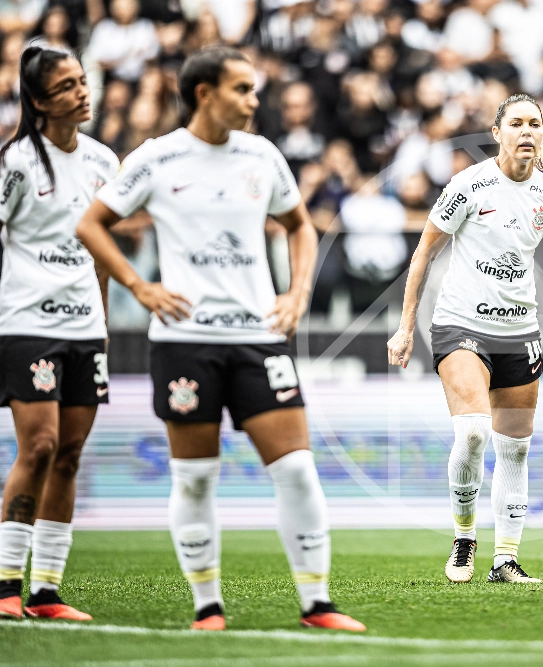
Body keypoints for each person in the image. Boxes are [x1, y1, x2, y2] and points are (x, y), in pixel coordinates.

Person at [75, 46, 365, 633]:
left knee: (298, 471)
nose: (255, 101)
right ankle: (208, 607)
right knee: (196, 477)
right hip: (183, 343)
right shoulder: (158, 159)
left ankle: (318, 604)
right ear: (204, 93)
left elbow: (299, 226)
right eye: (242, 89)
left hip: (259, 340)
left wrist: (298, 292)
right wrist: (140, 285)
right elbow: (92, 224)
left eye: (255, 90)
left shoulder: (262, 155)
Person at [387, 93, 543, 584]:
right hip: (461, 324)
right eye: (517, 123)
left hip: (519, 332)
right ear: (498, 132)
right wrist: (405, 327)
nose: (527, 132)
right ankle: (464, 539)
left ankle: (505, 559)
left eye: (535, 124)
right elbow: (422, 255)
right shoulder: (468, 186)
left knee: (515, 449)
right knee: (472, 433)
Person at [0, 46, 118, 622]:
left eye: (82, 81)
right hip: (25, 325)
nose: (82, 92)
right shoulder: (16, 163)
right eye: (68, 86)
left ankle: (46, 591)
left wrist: (103, 317)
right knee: (40, 445)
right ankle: (4, 585)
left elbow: (102, 253)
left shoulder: (103, 161)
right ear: (41, 102)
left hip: (85, 330)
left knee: (69, 454)